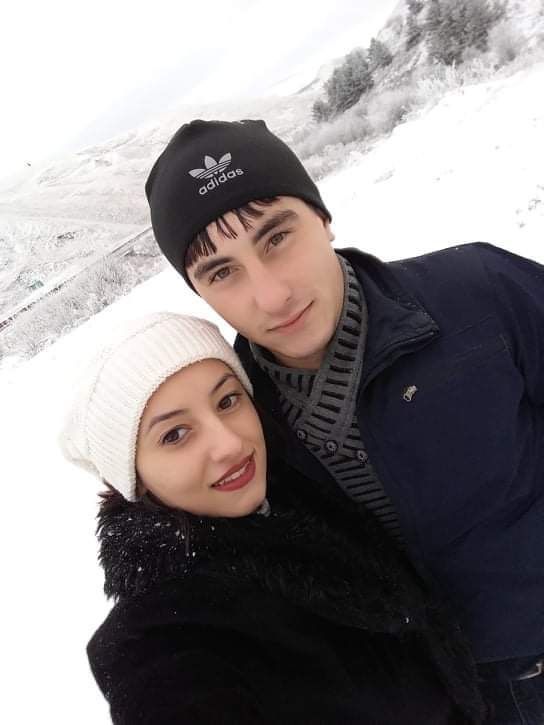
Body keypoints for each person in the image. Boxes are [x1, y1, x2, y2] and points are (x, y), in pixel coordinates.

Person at [145, 119, 544, 723]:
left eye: (277, 237)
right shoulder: (241, 425)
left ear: (322, 217)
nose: (271, 296)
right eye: (221, 272)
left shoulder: (477, 294)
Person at [60, 312, 485, 724]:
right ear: (134, 479)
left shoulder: (300, 495)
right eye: (175, 434)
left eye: (227, 401)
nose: (229, 444)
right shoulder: (163, 635)